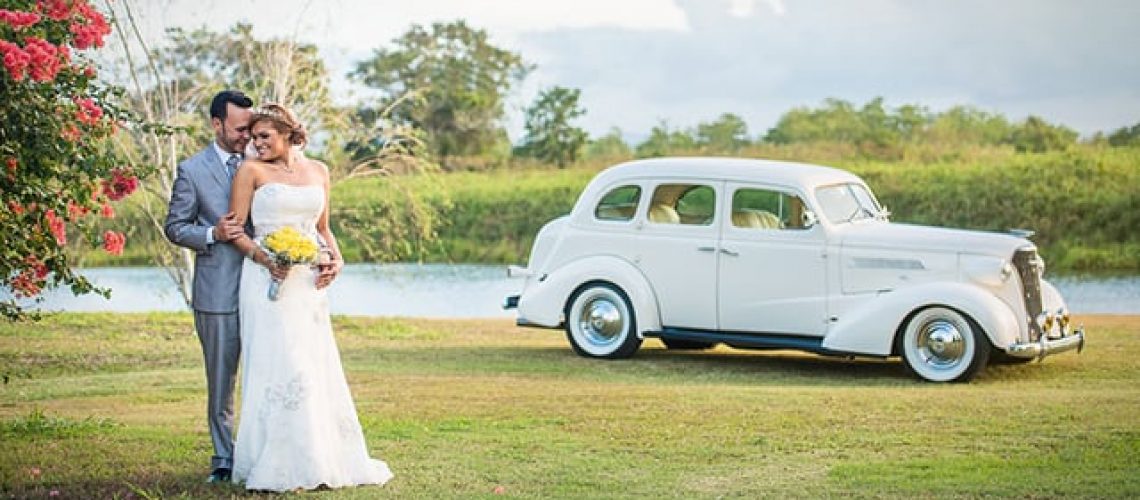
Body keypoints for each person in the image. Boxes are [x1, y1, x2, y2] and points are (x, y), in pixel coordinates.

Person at [222, 103, 393, 491]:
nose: (256, 143)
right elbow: (235, 230)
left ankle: (320, 456)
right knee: (281, 363)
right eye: (252, 137)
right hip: (267, 281)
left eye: (264, 136)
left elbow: (323, 228)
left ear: (287, 134)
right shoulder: (250, 171)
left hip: (308, 285)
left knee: (314, 365)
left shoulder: (319, 171)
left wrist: (337, 259)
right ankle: (278, 460)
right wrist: (266, 259)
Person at [163, 90, 254, 484]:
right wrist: (213, 233)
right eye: (238, 129)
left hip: (265, 289)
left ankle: (262, 451)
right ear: (216, 124)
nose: (246, 136)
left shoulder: (264, 158)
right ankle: (223, 457)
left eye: (250, 128)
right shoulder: (192, 170)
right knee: (222, 381)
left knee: (270, 373)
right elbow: (175, 227)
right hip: (217, 293)